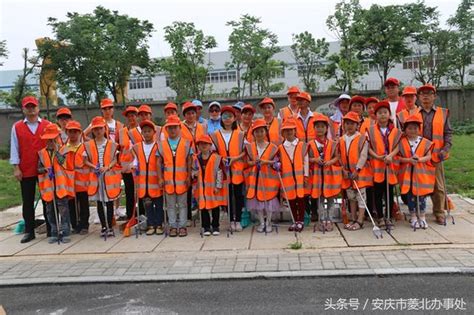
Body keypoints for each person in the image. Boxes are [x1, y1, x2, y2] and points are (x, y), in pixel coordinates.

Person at [10, 96, 51, 243]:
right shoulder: (17, 127)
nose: (31, 109)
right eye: (28, 107)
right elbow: (14, 149)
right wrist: (16, 168)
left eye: (33, 106)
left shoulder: (47, 125)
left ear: (38, 108)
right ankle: (29, 230)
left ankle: (51, 228)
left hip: (44, 169)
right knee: (27, 201)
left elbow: (53, 146)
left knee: (48, 199)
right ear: (23, 109)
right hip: (26, 169)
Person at [417, 84, 453, 225]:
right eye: (422, 94)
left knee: (438, 186)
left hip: (436, 155)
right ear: (419, 97)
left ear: (434, 96)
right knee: (420, 184)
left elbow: (448, 133)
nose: (426, 96)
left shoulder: (443, 113)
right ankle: (419, 212)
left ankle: (439, 212)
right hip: (420, 155)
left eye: (429, 93)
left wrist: (446, 149)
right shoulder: (415, 114)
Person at [83, 116, 122, 237]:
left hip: (108, 177)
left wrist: (107, 167)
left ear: (104, 129)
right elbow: (85, 160)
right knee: (99, 202)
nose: (98, 131)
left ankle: (110, 225)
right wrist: (93, 166)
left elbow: (115, 160)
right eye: (95, 129)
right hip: (96, 177)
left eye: (100, 129)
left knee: (109, 201)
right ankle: (103, 226)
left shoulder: (112, 144)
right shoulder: (89, 144)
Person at [210, 106, 246, 232]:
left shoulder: (240, 134)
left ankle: (238, 220)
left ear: (234, 118)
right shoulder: (215, 135)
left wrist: (236, 158)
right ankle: (231, 220)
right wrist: (221, 158)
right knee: (227, 196)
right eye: (224, 116)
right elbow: (212, 152)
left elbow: (245, 152)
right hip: (223, 169)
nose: (227, 119)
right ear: (221, 118)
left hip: (236, 169)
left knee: (238, 195)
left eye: (229, 116)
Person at [157, 115, 193, 237]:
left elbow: (189, 160)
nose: (172, 130)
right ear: (166, 129)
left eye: (175, 127)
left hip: (182, 179)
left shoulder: (186, 143)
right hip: (168, 181)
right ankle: (172, 226)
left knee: (183, 205)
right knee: (170, 205)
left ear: (179, 128)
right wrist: (160, 178)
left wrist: (188, 176)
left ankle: (182, 226)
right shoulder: (162, 144)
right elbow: (158, 161)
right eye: (170, 128)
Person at [37, 124, 74, 244]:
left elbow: (63, 162)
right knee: (50, 211)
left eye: (53, 139)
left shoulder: (64, 150)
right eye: (48, 139)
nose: (50, 142)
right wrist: (45, 170)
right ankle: (54, 231)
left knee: (63, 210)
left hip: (61, 187)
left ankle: (65, 231)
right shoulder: (41, 153)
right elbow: (38, 169)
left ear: (58, 138)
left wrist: (56, 150)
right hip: (48, 187)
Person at [367, 101, 402, 228]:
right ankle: (380, 217)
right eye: (380, 113)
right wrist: (377, 156)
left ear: (389, 114)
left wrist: (391, 155)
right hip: (377, 165)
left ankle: (389, 216)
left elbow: (399, 145)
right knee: (377, 192)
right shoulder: (370, 130)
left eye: (385, 112)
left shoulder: (395, 130)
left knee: (389, 193)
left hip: (390, 165)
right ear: (376, 115)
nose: (382, 115)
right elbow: (368, 147)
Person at [398, 115, 435, 229]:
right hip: (407, 174)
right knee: (411, 197)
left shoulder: (425, 142)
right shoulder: (401, 142)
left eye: (415, 128)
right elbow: (398, 158)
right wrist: (408, 160)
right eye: (409, 128)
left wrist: (419, 159)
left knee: (422, 197)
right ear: (405, 129)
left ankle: (422, 217)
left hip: (421, 174)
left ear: (419, 129)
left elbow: (429, 156)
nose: (412, 130)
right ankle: (413, 216)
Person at [308, 113, 342, 232]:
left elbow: (337, 157)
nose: (320, 129)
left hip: (330, 177)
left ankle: (330, 220)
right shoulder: (311, 144)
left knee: (331, 200)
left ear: (326, 128)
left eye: (322, 127)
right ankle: (321, 220)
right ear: (314, 128)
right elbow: (308, 159)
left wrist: (330, 162)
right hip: (318, 178)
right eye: (317, 127)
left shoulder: (332, 143)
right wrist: (315, 160)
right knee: (320, 200)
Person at [339, 112, 373, 231]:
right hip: (347, 174)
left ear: (357, 125)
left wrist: (357, 169)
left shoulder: (362, 138)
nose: (349, 126)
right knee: (351, 197)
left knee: (361, 197)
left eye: (352, 123)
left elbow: (363, 156)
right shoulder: (341, 139)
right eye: (347, 123)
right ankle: (353, 218)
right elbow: (339, 156)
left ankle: (360, 219)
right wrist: (343, 169)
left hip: (359, 173)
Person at [245, 119, 280, 233]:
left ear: (265, 132)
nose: (259, 134)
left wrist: (266, 162)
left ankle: (269, 222)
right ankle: (261, 222)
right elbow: (248, 162)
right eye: (256, 132)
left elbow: (276, 162)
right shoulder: (250, 147)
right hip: (255, 178)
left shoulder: (273, 147)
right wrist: (255, 162)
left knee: (269, 202)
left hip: (269, 179)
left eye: (261, 131)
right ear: (253, 133)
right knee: (257, 202)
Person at [132, 119, 164, 235]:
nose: (146, 133)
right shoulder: (137, 147)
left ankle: (159, 224)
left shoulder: (159, 146)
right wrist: (134, 167)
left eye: (149, 131)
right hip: (144, 183)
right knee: (148, 205)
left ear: (154, 132)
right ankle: (151, 224)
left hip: (156, 182)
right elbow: (136, 161)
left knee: (159, 205)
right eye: (144, 131)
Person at [278, 118, 308, 232]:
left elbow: (306, 161)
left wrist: (306, 176)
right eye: (286, 130)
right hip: (288, 179)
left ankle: (300, 221)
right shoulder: (281, 147)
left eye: (291, 130)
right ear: (283, 133)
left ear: (295, 131)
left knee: (301, 200)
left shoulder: (301, 145)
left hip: (300, 178)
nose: (289, 132)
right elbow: (280, 161)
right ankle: (295, 220)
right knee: (291, 201)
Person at [193, 134, 226, 236]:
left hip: (213, 189)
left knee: (215, 208)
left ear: (210, 145)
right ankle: (206, 226)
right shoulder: (195, 158)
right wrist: (194, 174)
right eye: (201, 144)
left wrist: (218, 186)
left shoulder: (216, 158)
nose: (204, 146)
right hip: (201, 189)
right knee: (203, 208)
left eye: (206, 144)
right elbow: (192, 171)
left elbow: (220, 173)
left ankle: (215, 226)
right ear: (198, 146)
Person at [62, 120, 90, 235]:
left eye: (75, 132)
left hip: (82, 184)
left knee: (83, 205)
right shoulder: (63, 149)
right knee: (71, 206)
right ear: (66, 132)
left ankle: (84, 225)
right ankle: (74, 225)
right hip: (69, 184)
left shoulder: (85, 148)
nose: (73, 134)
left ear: (79, 133)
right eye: (70, 132)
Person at [180, 101, 206, 225]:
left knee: (200, 188)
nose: (190, 116)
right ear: (184, 115)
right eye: (188, 113)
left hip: (200, 161)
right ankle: (188, 216)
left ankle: (202, 213)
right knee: (187, 188)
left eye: (192, 113)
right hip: (185, 161)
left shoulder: (201, 127)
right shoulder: (180, 127)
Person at [118, 106, 142, 220]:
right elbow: (120, 147)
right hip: (126, 166)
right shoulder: (122, 131)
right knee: (129, 191)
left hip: (138, 165)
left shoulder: (141, 130)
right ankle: (130, 215)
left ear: (137, 117)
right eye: (129, 116)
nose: (131, 118)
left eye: (133, 115)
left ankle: (141, 214)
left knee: (140, 190)